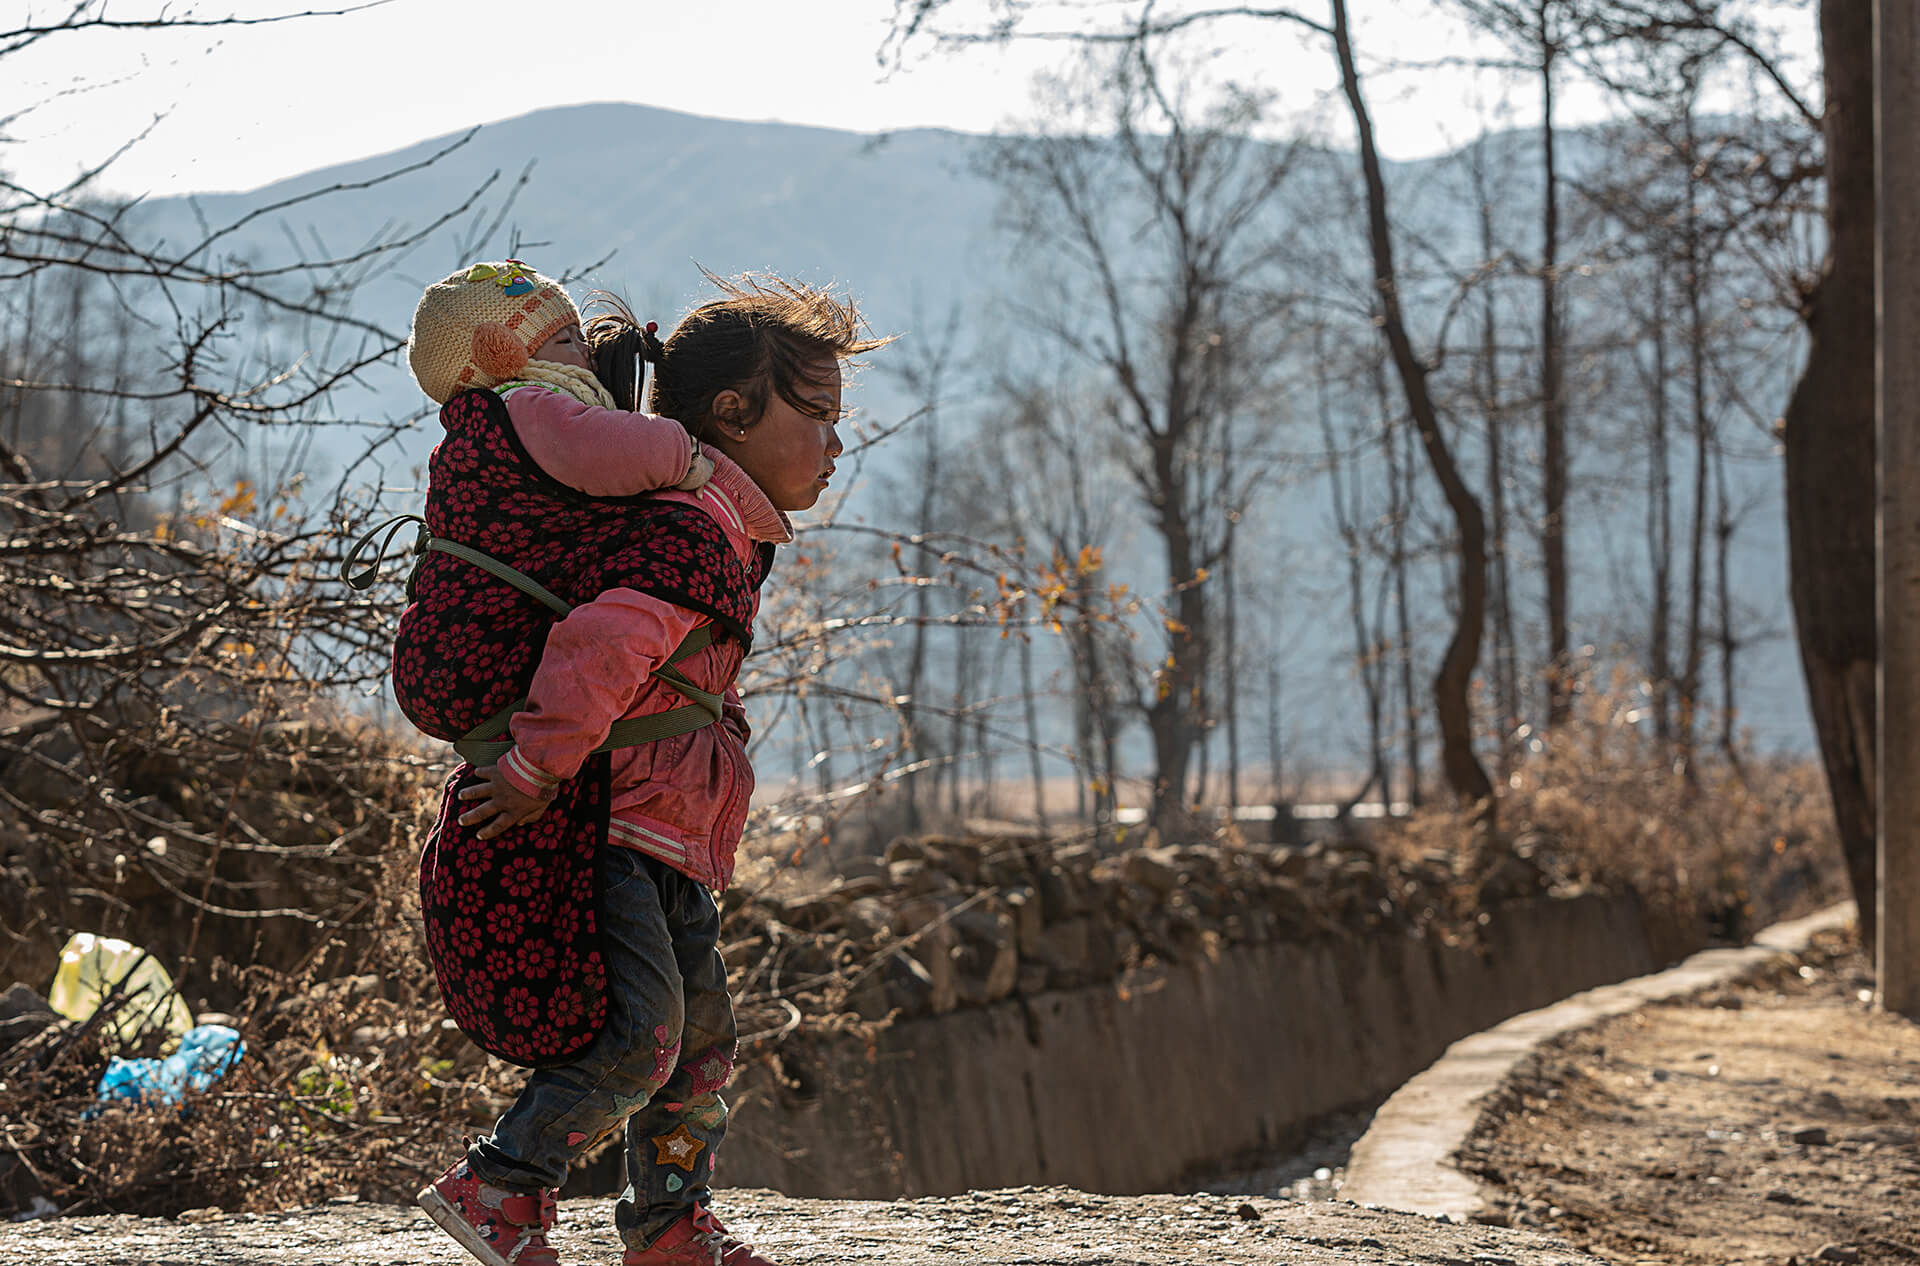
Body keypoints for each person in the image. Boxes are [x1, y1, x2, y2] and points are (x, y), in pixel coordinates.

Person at [399, 270, 889, 1266]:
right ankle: (499, 1186)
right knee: (640, 1039)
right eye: (822, 416)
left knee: (699, 1047)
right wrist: (537, 770)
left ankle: (669, 1225)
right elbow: (604, 646)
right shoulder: (687, 524)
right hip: (612, 827)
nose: (840, 443)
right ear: (732, 415)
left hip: (671, 834)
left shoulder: (721, 529)